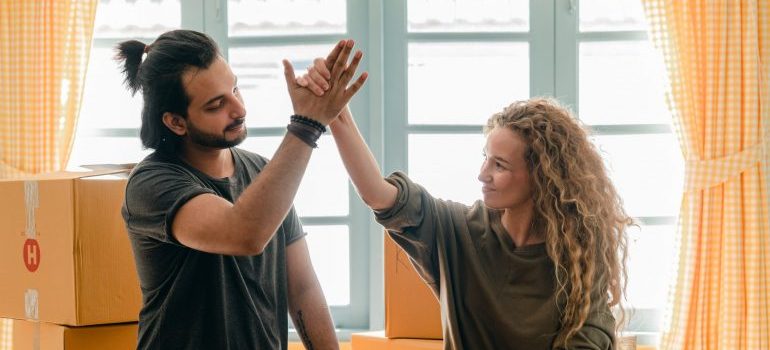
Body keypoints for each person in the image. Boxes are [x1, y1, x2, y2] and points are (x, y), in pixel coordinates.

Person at [298, 55, 631, 349]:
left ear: (542, 176)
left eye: (499, 165)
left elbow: (591, 337)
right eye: (486, 158)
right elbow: (377, 193)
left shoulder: (578, 250)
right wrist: (335, 111)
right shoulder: (457, 230)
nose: (482, 175)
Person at [116, 29, 367, 349]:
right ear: (176, 122)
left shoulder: (263, 172)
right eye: (217, 104)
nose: (239, 109)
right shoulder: (151, 183)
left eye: (235, 88)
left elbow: (302, 288)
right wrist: (307, 124)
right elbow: (243, 233)